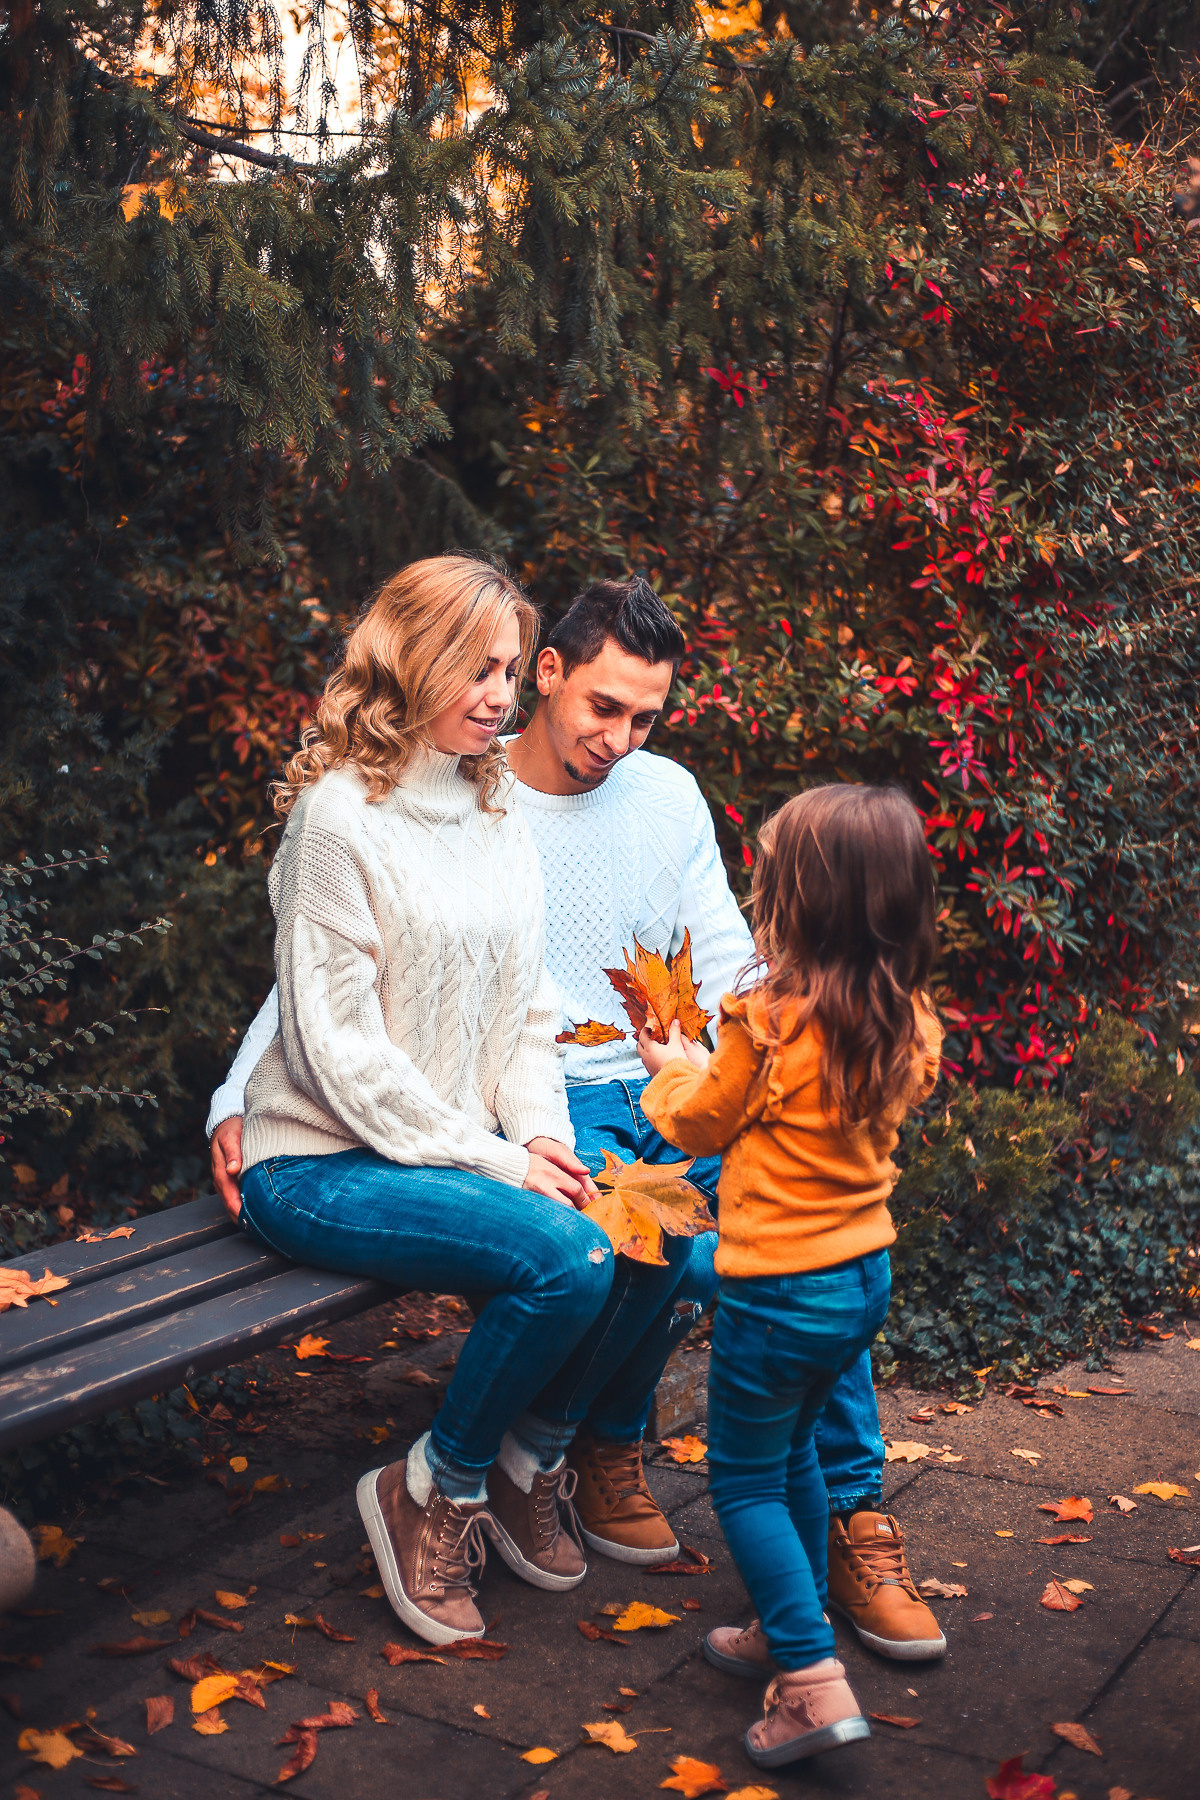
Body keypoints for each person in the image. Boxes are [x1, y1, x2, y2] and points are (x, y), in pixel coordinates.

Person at [209, 577, 944, 1658]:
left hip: (629, 1089)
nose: (619, 737)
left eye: (645, 717)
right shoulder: (403, 802)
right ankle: (543, 1455)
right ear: (546, 672)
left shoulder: (593, 797)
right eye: (600, 706)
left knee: (782, 1249)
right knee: (640, 1236)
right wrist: (238, 1095)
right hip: (466, 1120)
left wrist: (759, 1063)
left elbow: (638, 974)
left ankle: (844, 1515)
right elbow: (320, 999)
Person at [233, 555, 622, 1648]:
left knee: (630, 1241)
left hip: (435, 1152)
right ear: (416, 661)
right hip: (315, 1162)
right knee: (568, 1260)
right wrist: (499, 1159)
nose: (505, 695)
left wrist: (541, 1130)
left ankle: (519, 1463)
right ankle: (430, 1492)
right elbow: (339, 1058)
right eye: (480, 668)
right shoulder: (337, 819)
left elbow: (525, 1015)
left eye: (511, 668)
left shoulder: (495, 805)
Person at [635, 784, 944, 1767]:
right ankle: (790, 1611)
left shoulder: (764, 1018)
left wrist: (668, 1060)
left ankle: (809, 1678)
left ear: (798, 901)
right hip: (860, 1281)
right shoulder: (905, 1017)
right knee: (803, 1447)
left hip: (774, 1292)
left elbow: (695, 1122)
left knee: (746, 1484)